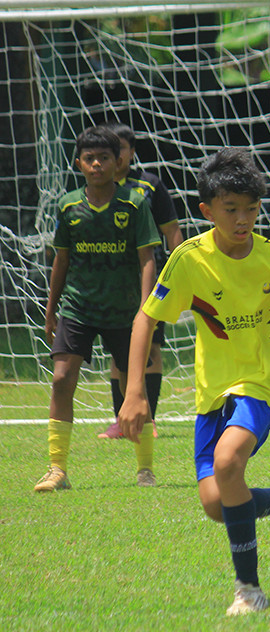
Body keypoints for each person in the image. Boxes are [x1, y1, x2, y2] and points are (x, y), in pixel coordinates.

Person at [118, 148, 270, 616]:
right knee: (217, 503)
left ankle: (248, 590)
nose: (243, 219)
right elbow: (145, 321)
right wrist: (134, 392)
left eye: (251, 209)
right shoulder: (190, 259)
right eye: (231, 209)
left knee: (229, 464)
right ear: (207, 210)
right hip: (213, 392)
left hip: (260, 383)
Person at [33, 125, 161, 492]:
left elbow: (147, 258)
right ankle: (57, 469)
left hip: (125, 310)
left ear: (117, 161)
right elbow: (61, 259)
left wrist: (145, 308)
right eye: (89, 158)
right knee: (61, 379)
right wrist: (51, 307)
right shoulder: (69, 206)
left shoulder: (134, 203)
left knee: (134, 385)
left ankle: (145, 469)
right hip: (79, 306)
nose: (97, 164)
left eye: (104, 157)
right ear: (79, 163)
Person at [98, 122, 184, 440]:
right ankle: (121, 420)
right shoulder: (96, 190)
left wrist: (182, 268)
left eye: (119, 148)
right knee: (118, 350)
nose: (114, 156)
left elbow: (172, 230)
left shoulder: (149, 185)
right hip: (112, 281)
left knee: (151, 346)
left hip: (150, 278)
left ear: (131, 152)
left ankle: (149, 418)